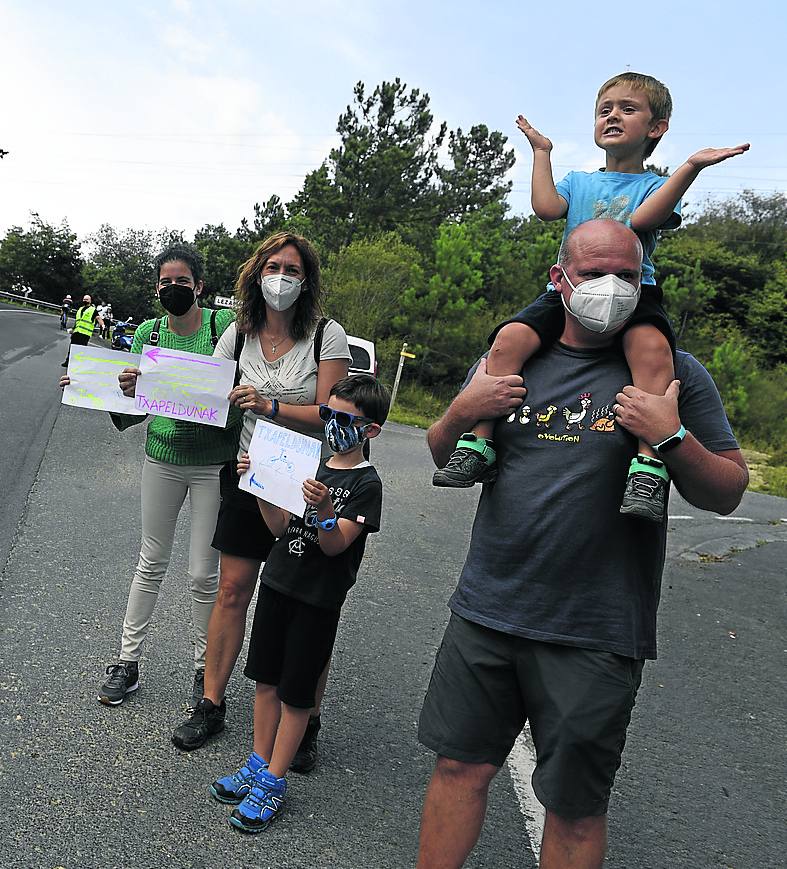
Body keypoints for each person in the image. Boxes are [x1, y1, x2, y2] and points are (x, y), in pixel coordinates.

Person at [416, 220, 749, 869]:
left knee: (572, 807)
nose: (609, 287)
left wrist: (672, 436)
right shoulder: (511, 357)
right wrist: (460, 410)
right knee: (457, 767)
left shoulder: (672, 372)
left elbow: (728, 490)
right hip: (486, 611)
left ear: (642, 280)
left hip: (595, 630)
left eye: (625, 274)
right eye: (593, 272)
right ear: (558, 279)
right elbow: (442, 453)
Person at [433, 71, 749, 525]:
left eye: (627, 108)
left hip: (635, 293)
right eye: (605, 110)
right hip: (566, 293)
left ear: (656, 127)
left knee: (654, 352)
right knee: (508, 340)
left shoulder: (655, 186)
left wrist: (690, 168)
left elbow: (643, 219)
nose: (613, 116)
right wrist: (542, 154)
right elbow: (545, 208)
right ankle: (478, 443)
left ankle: (647, 467)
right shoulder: (579, 181)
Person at [172, 231, 352, 759]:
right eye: (274, 266)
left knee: (307, 604)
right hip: (250, 474)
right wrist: (134, 385)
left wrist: (270, 405)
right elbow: (202, 390)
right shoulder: (238, 331)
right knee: (232, 591)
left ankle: (304, 720)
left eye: (293, 270)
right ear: (256, 274)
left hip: (309, 483)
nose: (282, 278)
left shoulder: (326, 335)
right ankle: (210, 702)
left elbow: (335, 415)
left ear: (307, 280)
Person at [61, 243, 242, 710]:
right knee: (150, 562)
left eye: (182, 281)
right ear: (157, 286)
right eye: (165, 282)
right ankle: (127, 660)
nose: (173, 289)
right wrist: (95, 387)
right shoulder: (149, 331)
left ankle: (207, 667)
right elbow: (136, 403)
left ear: (199, 286)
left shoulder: (225, 330)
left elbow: (234, 397)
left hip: (211, 465)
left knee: (204, 574)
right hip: (161, 458)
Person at [209, 374, 388, 833]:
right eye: (328, 414)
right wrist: (260, 485)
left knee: (295, 693)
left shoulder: (367, 485)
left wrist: (328, 513)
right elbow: (278, 527)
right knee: (265, 681)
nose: (332, 426)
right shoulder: (313, 463)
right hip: (278, 583)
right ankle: (257, 760)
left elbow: (335, 546)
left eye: (345, 420)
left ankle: (273, 780)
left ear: (370, 431)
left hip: (316, 600)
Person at [61, 294, 104, 366]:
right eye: (84, 299)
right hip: (77, 332)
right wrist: (73, 329)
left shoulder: (93, 310)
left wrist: (103, 325)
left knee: (81, 350)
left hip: (85, 334)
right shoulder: (80, 309)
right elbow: (78, 321)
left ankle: (77, 364)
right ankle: (68, 361)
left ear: (90, 301)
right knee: (72, 347)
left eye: (87, 299)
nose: (85, 301)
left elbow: (98, 318)